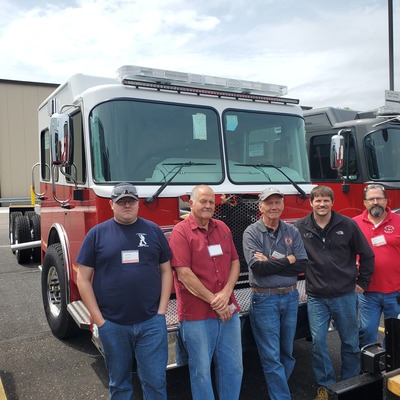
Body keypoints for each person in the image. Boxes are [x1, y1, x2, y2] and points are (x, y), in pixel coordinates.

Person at [76, 182, 173, 400]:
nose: (127, 205)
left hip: (151, 323)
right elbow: (82, 279)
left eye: (131, 201)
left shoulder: (153, 231)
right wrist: (99, 320)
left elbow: (167, 271)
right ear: (111, 205)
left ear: (138, 203)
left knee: (156, 383)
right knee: (119, 385)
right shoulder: (97, 235)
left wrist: (162, 311)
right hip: (114, 324)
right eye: (121, 202)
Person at [294, 185, 374, 400]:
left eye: (326, 200)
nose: (322, 204)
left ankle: (350, 383)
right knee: (318, 344)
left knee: (350, 342)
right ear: (311, 202)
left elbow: (367, 255)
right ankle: (326, 387)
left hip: (345, 295)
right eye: (317, 200)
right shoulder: (300, 227)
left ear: (332, 202)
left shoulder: (347, 225)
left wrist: (362, 283)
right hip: (316, 298)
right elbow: (290, 255)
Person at [168, 185, 243, 400]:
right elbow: (184, 274)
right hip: (197, 315)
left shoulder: (223, 228)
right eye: (203, 201)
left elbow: (235, 262)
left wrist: (227, 292)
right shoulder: (181, 233)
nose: (208, 206)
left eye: (212, 202)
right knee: (201, 372)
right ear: (191, 204)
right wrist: (215, 301)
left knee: (233, 367)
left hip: (229, 310)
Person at [242, 187, 308, 400]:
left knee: (287, 353)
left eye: (277, 202)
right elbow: (257, 268)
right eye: (269, 203)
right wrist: (288, 260)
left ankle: (278, 389)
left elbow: (303, 264)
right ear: (260, 206)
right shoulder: (251, 232)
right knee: (271, 356)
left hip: (290, 297)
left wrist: (272, 262)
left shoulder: (292, 231)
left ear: (282, 205)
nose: (273, 207)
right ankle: (282, 397)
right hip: (265, 299)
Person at [354, 184, 400, 348]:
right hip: (367, 292)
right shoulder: (354, 224)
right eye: (371, 199)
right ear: (365, 202)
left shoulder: (398, 221)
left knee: (396, 332)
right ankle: (369, 368)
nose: (375, 202)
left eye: (379, 198)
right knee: (367, 330)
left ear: (386, 200)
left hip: (395, 291)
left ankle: (390, 365)